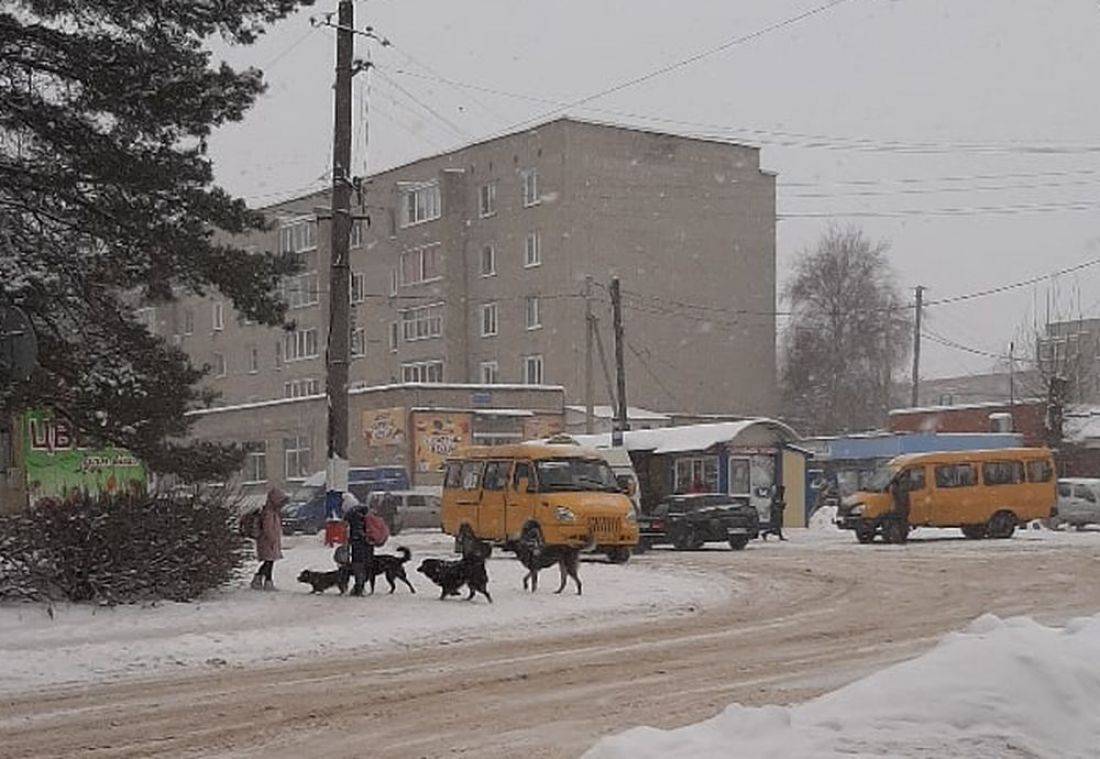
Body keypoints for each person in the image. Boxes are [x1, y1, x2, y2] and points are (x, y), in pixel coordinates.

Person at [251, 488, 287, 590]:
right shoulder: (269, 513)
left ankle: (259, 580)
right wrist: (272, 540)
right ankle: (267, 581)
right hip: (267, 542)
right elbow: (268, 528)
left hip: (268, 541)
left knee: (268, 562)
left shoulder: (271, 512)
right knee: (269, 562)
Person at [344, 497, 374, 597]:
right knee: (367, 565)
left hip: (359, 545)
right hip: (369, 544)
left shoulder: (353, 515)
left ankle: (359, 587)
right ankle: (360, 586)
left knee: (358, 566)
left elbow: (357, 531)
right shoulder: (366, 513)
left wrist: (352, 540)